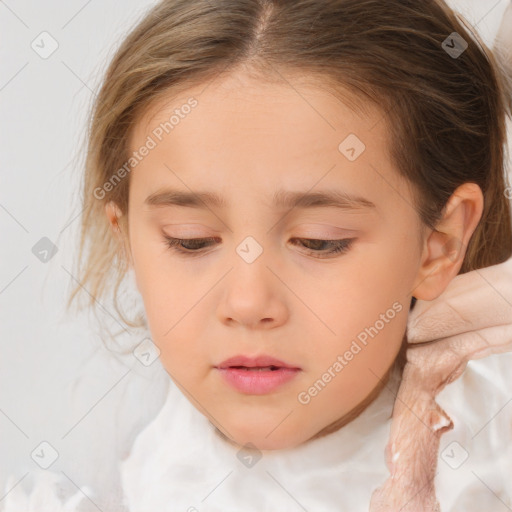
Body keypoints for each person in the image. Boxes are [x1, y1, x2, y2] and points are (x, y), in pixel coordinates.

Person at [2, 0, 511, 510]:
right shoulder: (99, 462)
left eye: (319, 241)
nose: (248, 303)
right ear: (128, 239)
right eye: (190, 240)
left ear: (439, 243)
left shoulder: (487, 471)